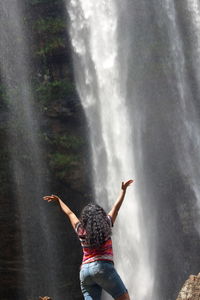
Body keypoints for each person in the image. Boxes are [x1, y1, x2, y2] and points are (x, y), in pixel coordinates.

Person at [43, 179, 133, 300]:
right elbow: (116, 208)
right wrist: (123, 191)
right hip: (103, 268)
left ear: (85, 217)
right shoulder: (106, 223)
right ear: (100, 215)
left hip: (85, 272)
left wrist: (59, 201)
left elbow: (70, 213)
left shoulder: (80, 229)